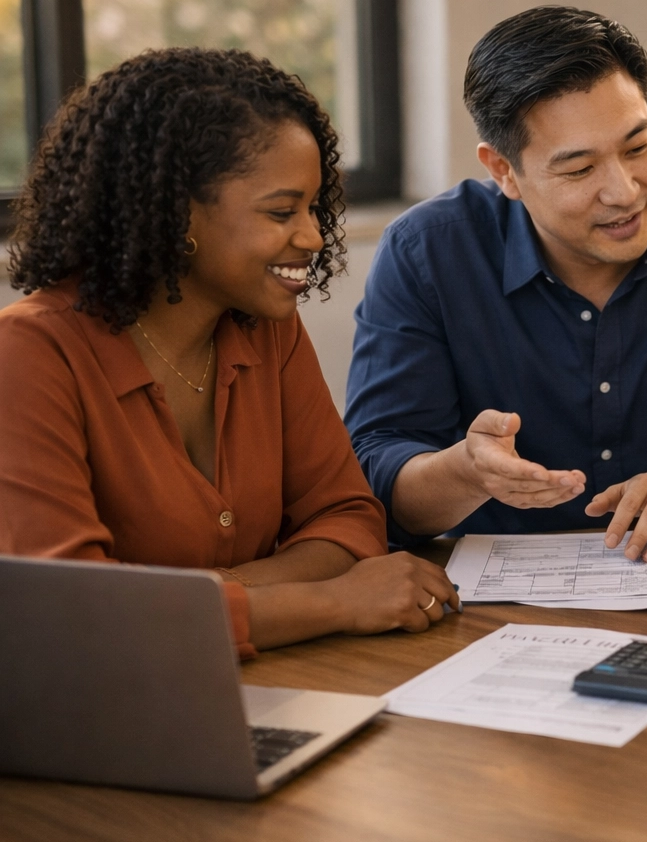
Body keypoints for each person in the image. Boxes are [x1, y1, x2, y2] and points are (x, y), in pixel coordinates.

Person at [0, 48, 459, 660]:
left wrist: (191, 604)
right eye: (281, 211)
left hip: (269, 682)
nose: (314, 236)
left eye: (315, 206)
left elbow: (348, 519)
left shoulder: (268, 329)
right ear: (175, 212)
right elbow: (85, 616)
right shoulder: (28, 356)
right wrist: (337, 601)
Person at [346, 6, 647, 561]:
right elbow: (376, 465)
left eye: (638, 147)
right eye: (579, 169)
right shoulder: (427, 251)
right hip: (490, 599)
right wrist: (464, 473)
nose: (624, 191)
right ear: (503, 171)